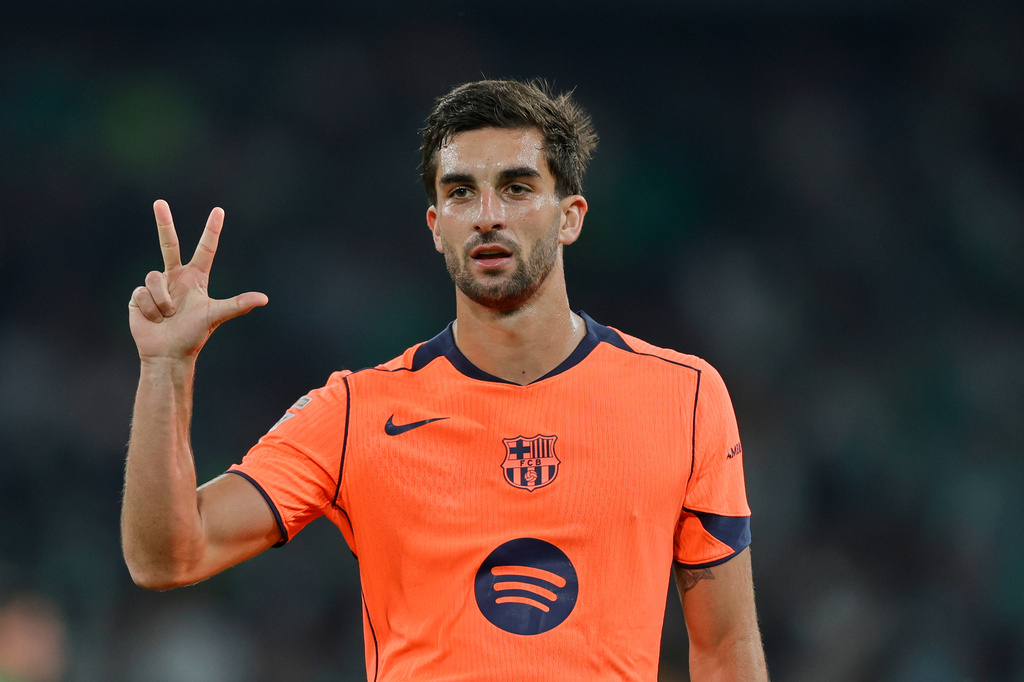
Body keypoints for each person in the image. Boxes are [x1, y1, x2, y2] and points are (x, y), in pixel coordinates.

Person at [123, 79, 769, 681]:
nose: (487, 214)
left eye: (517, 187)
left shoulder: (683, 396)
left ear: (570, 216)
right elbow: (167, 556)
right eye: (460, 192)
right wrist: (165, 369)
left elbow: (725, 647)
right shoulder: (357, 410)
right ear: (437, 227)